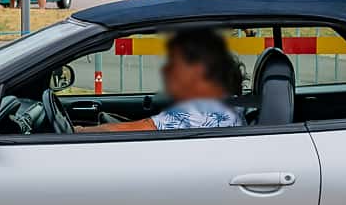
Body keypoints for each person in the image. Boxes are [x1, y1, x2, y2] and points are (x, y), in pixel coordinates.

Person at [83, 27, 246, 132]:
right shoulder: (230, 107)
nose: (167, 70)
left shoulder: (197, 111)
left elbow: (124, 131)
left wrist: (77, 131)